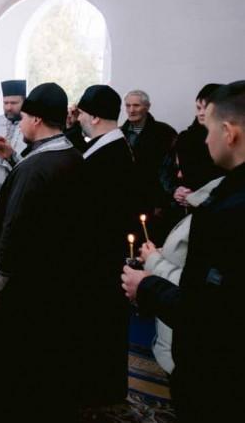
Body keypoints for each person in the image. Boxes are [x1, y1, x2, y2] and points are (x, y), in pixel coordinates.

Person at [122, 81, 245, 421]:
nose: (205, 140)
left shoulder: (227, 210)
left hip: (219, 373)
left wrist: (147, 285)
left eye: (210, 130)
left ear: (229, 133)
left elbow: (208, 311)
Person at [0, 82, 87, 421]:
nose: (20, 122)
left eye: (23, 116)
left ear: (36, 119)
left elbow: (13, 231)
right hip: (52, 279)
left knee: (14, 361)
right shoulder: (70, 154)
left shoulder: (35, 169)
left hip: (25, 284)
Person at [75, 84, 138, 405]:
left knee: (100, 326)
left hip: (99, 260)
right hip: (105, 256)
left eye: (82, 113)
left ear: (95, 117)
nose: (78, 118)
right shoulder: (111, 146)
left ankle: (98, 391)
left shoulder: (107, 157)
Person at [139, 176, 222, 376]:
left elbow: (203, 287)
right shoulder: (217, 201)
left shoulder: (224, 210)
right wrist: (160, 254)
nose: (178, 176)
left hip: (193, 351)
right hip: (176, 343)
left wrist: (153, 263)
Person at [160, 84, 225, 225]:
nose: (201, 113)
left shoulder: (228, 138)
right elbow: (167, 170)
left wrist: (199, 197)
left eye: (206, 108)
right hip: (183, 210)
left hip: (218, 209)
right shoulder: (185, 137)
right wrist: (175, 190)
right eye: (198, 108)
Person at [120, 90, 177, 238]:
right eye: (128, 106)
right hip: (127, 204)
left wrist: (163, 203)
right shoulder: (119, 134)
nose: (131, 110)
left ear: (147, 107)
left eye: (136, 105)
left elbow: (170, 172)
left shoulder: (165, 133)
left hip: (156, 207)